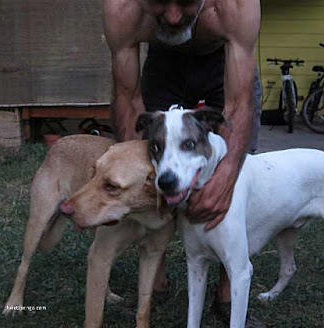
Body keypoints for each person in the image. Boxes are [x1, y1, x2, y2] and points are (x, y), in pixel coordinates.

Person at [103, 0, 262, 324]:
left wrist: (227, 175)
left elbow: (237, 104)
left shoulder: (236, 6)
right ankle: (154, 282)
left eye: (187, 2)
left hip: (223, 60)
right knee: (149, 171)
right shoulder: (122, 8)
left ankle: (227, 292)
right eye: (160, 1)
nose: (174, 16)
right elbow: (128, 96)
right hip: (164, 63)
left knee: (228, 187)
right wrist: (136, 177)